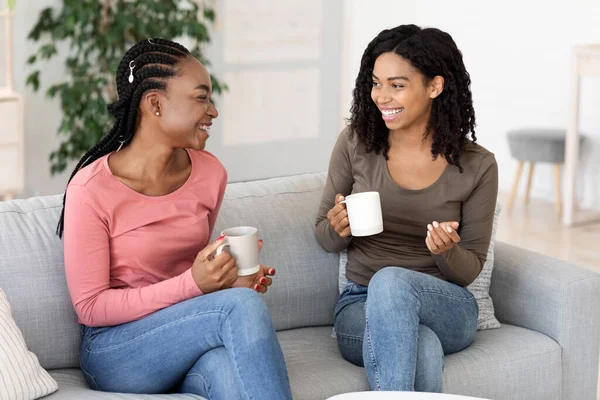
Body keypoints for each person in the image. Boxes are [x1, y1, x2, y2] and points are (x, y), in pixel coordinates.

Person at [58, 38, 292, 400]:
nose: (213, 111)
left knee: (227, 373)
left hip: (184, 334)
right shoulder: (91, 190)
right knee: (240, 309)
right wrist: (195, 285)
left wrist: (227, 281)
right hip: (116, 348)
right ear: (155, 103)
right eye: (201, 97)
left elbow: (192, 277)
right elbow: (90, 307)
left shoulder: (210, 172)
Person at [315, 25, 498, 392]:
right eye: (376, 83)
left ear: (434, 87)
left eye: (396, 85)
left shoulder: (478, 165)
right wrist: (338, 226)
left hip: (445, 302)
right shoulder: (356, 142)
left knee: (393, 280)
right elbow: (324, 234)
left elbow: (470, 268)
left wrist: (447, 252)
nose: (382, 96)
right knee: (423, 347)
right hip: (360, 304)